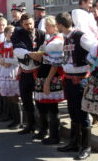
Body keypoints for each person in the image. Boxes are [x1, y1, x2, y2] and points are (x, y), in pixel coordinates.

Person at [55, 12, 97, 160]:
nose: (56, 27)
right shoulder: (66, 37)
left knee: (83, 113)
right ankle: (74, 143)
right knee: (73, 111)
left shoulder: (81, 35)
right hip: (68, 79)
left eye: (56, 25)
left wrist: (90, 62)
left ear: (60, 25)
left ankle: (86, 147)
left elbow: (96, 48)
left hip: (80, 80)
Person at [11, 13, 46, 135]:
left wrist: (40, 54)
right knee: (26, 99)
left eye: (30, 23)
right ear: (22, 24)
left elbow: (44, 47)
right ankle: (30, 125)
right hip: (25, 72)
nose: (29, 26)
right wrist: (30, 53)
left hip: (39, 71)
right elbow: (17, 49)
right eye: (26, 24)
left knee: (40, 101)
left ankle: (43, 128)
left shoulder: (41, 34)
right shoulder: (18, 34)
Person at [33, 16, 65, 144]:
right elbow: (45, 58)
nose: (45, 28)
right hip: (43, 72)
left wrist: (47, 81)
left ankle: (54, 135)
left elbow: (55, 64)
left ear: (55, 26)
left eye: (47, 25)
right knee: (41, 104)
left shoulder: (58, 41)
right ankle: (44, 130)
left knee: (52, 106)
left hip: (51, 75)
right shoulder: (49, 39)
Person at [0, 25, 22, 129]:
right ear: (5, 33)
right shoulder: (1, 45)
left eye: (13, 32)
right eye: (10, 32)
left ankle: (18, 121)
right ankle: (11, 117)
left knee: (14, 97)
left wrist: (8, 61)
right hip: (4, 70)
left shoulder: (17, 45)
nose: (12, 34)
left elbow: (19, 59)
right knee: (7, 96)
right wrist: (2, 63)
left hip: (13, 70)